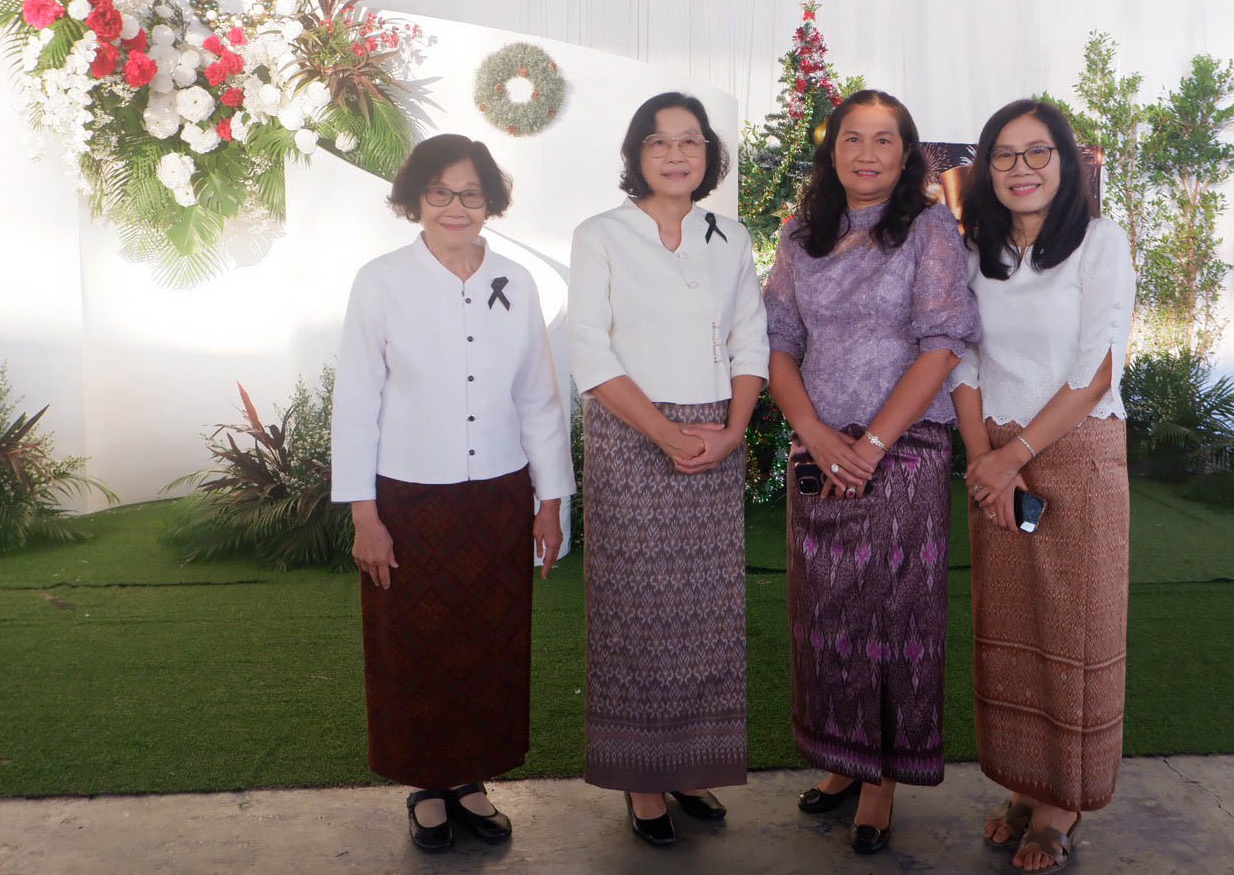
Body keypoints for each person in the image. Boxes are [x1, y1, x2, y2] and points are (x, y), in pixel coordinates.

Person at [331, 134, 574, 853]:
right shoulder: (380, 281)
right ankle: (427, 786)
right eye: (439, 192)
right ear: (415, 198)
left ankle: (470, 781)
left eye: (470, 192)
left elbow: (539, 397)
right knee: (413, 646)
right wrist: (365, 515)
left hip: (497, 498)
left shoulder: (516, 282)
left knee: (490, 644)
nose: (455, 206)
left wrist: (551, 502)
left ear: (490, 200)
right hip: (409, 501)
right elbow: (356, 402)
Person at [762, 89, 982, 855]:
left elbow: (942, 343)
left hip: (904, 450)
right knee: (825, 616)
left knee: (893, 619)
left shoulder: (928, 229)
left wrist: (873, 444)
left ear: (906, 153)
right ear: (832, 152)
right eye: (851, 138)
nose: (866, 153)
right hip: (819, 451)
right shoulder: (800, 236)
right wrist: (815, 433)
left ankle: (881, 777)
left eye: (883, 139)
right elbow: (777, 343)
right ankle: (842, 760)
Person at [568, 91, 769, 847]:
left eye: (691, 140)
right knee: (637, 610)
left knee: (704, 614)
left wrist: (733, 431)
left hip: (714, 437)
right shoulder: (601, 234)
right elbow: (588, 347)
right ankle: (642, 780)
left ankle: (689, 766)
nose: (676, 154)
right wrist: (663, 431)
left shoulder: (730, 235)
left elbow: (751, 336)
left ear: (708, 154)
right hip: (632, 436)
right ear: (636, 154)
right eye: (660, 141)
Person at [951, 98, 1135, 873]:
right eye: (1003, 154)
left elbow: (1096, 369)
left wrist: (1014, 453)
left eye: (1037, 152)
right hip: (995, 456)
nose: (1019, 168)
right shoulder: (976, 251)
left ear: (1065, 163)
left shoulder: (1100, 243)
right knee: (1010, 626)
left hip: (1074, 451)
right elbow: (960, 356)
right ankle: (1025, 786)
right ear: (986, 168)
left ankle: (1063, 804)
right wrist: (983, 456)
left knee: (1072, 628)